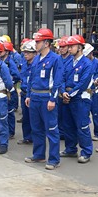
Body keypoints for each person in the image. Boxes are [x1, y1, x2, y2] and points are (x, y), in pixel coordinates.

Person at [24, 28, 64, 170]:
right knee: (36, 128)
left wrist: (53, 99)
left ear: (46, 43)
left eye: (38, 42)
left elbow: (57, 81)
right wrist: (28, 95)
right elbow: (31, 79)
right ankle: (39, 154)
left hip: (47, 97)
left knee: (51, 129)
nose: (35, 44)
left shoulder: (55, 59)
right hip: (35, 97)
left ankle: (54, 159)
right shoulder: (36, 59)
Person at [60, 35, 94, 163]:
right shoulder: (68, 62)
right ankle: (70, 149)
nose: (69, 49)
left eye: (71, 46)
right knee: (68, 125)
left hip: (80, 99)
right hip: (67, 97)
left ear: (80, 47)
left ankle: (86, 152)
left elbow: (83, 83)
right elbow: (61, 78)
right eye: (68, 46)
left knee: (82, 126)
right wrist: (63, 92)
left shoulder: (87, 64)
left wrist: (70, 94)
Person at [18, 39, 37, 145]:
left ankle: (35, 137)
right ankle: (27, 137)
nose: (26, 54)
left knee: (34, 118)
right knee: (25, 117)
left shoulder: (37, 64)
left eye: (29, 52)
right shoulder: (24, 64)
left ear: (35, 53)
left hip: (33, 94)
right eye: (25, 52)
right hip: (24, 93)